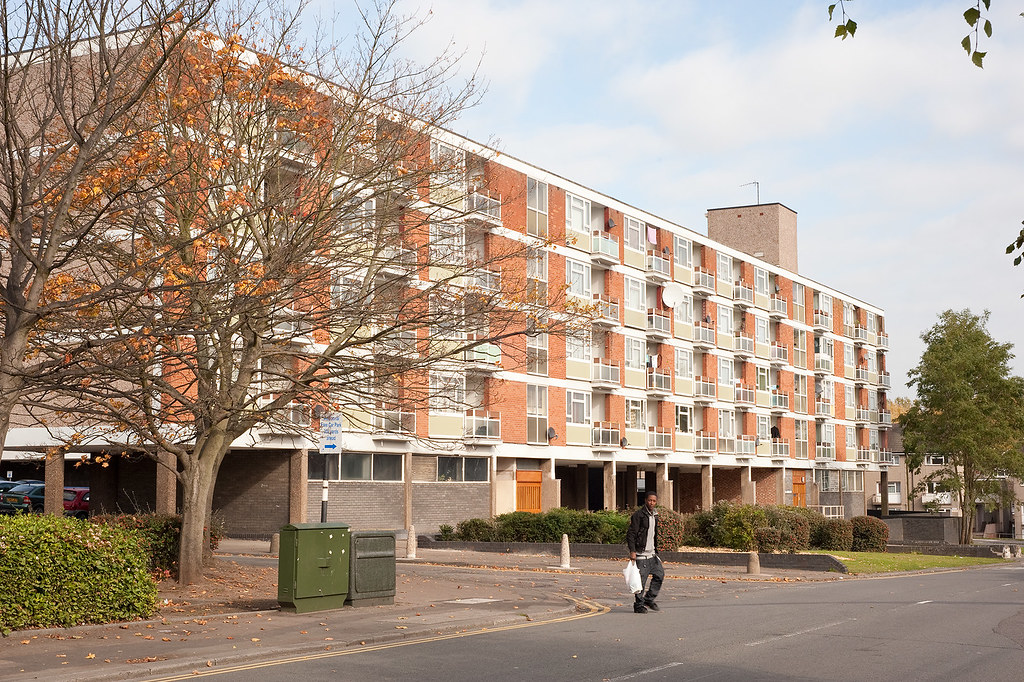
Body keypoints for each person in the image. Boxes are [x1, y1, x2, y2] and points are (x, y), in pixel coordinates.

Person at [625, 491, 664, 614]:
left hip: (652, 554)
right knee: (640, 581)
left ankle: (648, 599)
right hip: (641, 554)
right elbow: (631, 534)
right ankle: (638, 605)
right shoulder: (639, 515)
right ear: (645, 500)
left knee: (660, 575)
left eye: (654, 501)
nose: (651, 503)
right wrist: (632, 551)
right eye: (649, 500)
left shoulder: (655, 515)